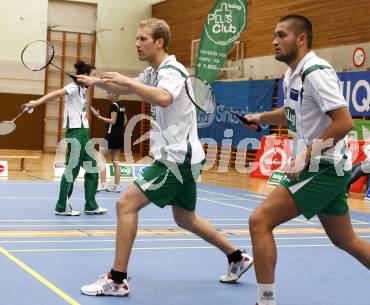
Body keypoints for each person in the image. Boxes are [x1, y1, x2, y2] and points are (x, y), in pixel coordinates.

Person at [244, 15, 370, 305]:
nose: (275, 41)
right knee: (345, 239)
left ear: (301, 39)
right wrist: (262, 117)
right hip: (323, 167)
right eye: (274, 36)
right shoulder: (292, 74)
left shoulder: (316, 71)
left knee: (259, 222)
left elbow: (344, 123)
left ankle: (265, 301)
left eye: (282, 35)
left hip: (323, 168)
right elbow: (292, 111)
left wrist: (304, 155)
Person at [76, 18, 253, 296]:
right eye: (136, 38)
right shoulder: (153, 70)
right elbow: (128, 87)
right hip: (185, 157)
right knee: (186, 219)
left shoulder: (171, 70)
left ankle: (117, 279)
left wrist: (124, 82)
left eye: (143, 39)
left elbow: (164, 98)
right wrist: (95, 81)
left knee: (125, 205)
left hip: (177, 159)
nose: (137, 43)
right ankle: (236, 257)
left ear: (159, 42)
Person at [22, 61, 108, 216]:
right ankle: (61, 206)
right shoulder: (73, 87)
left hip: (84, 134)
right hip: (77, 134)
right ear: (85, 76)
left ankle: (91, 205)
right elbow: (55, 94)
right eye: (93, 76)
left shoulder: (82, 89)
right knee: (72, 171)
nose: (95, 79)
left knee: (92, 169)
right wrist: (36, 103)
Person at [93, 92, 128, 193]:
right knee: (115, 160)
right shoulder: (121, 104)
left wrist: (99, 117)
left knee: (100, 157)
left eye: (109, 92)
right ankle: (116, 186)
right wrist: (118, 129)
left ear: (115, 94)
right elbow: (125, 121)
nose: (107, 94)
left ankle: (103, 184)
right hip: (119, 135)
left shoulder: (113, 105)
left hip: (112, 136)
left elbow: (112, 121)